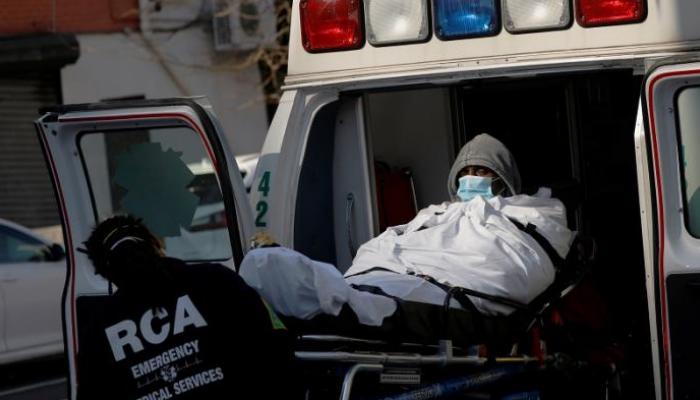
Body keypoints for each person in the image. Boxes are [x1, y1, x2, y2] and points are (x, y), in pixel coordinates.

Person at [241, 133, 573, 341]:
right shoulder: (436, 216)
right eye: (465, 173)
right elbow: (389, 244)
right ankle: (340, 291)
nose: (471, 178)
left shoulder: (523, 217)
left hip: (441, 290)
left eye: (482, 171)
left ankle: (331, 295)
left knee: (359, 300)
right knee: (275, 267)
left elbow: (511, 267)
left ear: (504, 179)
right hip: (387, 280)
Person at [78, 215, 294, 400]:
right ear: (156, 244)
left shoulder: (100, 331)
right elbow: (276, 346)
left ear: (106, 274)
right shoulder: (216, 281)